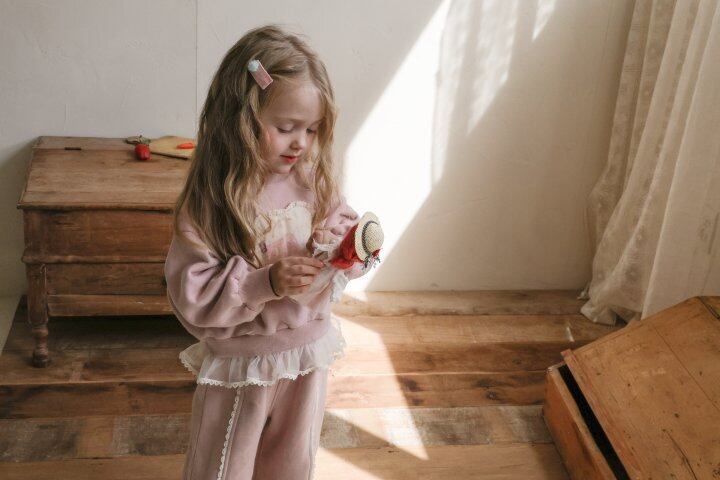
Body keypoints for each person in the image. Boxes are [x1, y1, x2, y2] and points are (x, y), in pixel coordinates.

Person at [163, 24, 373, 480]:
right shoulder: (213, 201)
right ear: (240, 119)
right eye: (285, 128)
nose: (301, 142)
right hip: (243, 363)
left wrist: (351, 249)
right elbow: (192, 295)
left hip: (307, 354)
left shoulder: (313, 184)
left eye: (312, 129)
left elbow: (338, 252)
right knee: (224, 463)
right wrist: (266, 282)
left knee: (291, 462)